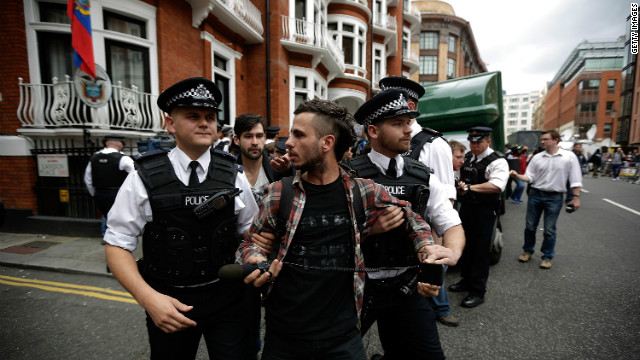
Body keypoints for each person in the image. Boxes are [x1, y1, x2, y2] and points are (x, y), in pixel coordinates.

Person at [237, 98, 454, 360]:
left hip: (344, 338)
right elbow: (248, 244)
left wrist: (426, 248)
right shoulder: (278, 194)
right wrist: (256, 259)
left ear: (326, 143)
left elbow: (412, 217)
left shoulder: (362, 191)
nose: (289, 143)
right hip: (285, 336)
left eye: (298, 134)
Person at [103, 77, 262, 359]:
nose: (204, 123)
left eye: (210, 117)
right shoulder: (142, 178)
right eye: (193, 116)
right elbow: (117, 244)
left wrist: (255, 256)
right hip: (168, 300)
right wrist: (148, 299)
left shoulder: (234, 175)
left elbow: (251, 231)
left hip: (229, 300)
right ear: (171, 124)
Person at [345, 88, 464, 356]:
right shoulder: (349, 176)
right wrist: (369, 230)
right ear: (373, 131)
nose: (408, 130)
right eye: (398, 124)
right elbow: (328, 232)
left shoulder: (422, 176)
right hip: (357, 287)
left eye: (408, 122)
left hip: (407, 287)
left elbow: (451, 223)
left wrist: (451, 252)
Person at [449, 126, 509, 308]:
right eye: (472, 141)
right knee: (465, 246)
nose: (473, 145)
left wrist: (470, 188)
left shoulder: (497, 161)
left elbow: (497, 186)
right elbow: (458, 176)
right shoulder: (467, 158)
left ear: (488, 141)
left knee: (481, 251)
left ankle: (477, 291)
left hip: (485, 211)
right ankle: (465, 281)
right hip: (467, 207)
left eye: (478, 142)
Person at [509, 129, 582, 269]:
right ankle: (527, 251)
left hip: (554, 197)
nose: (542, 142)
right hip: (536, 195)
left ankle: (547, 256)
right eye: (541, 139)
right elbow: (530, 177)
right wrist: (517, 176)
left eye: (545, 139)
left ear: (556, 140)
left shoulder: (569, 157)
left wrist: (576, 198)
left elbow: (575, 179)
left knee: (549, 229)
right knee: (530, 227)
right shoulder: (537, 157)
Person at [379, 76, 456, 203]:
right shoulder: (384, 143)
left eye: (389, 104)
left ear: (410, 107)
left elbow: (446, 202)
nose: (382, 110)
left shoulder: (434, 146)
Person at [233, 113, 291, 205]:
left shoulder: (277, 168)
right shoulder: (229, 174)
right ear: (236, 140)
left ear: (264, 138)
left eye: (259, 136)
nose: (255, 142)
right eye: (248, 136)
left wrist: (287, 171)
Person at [84, 134, 135, 238]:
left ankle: (106, 235)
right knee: (120, 216)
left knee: (106, 214)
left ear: (106, 143)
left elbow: (88, 179)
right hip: (117, 193)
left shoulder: (94, 158)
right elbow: (135, 174)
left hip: (100, 193)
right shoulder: (123, 158)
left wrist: (94, 193)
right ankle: (118, 237)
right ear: (120, 144)